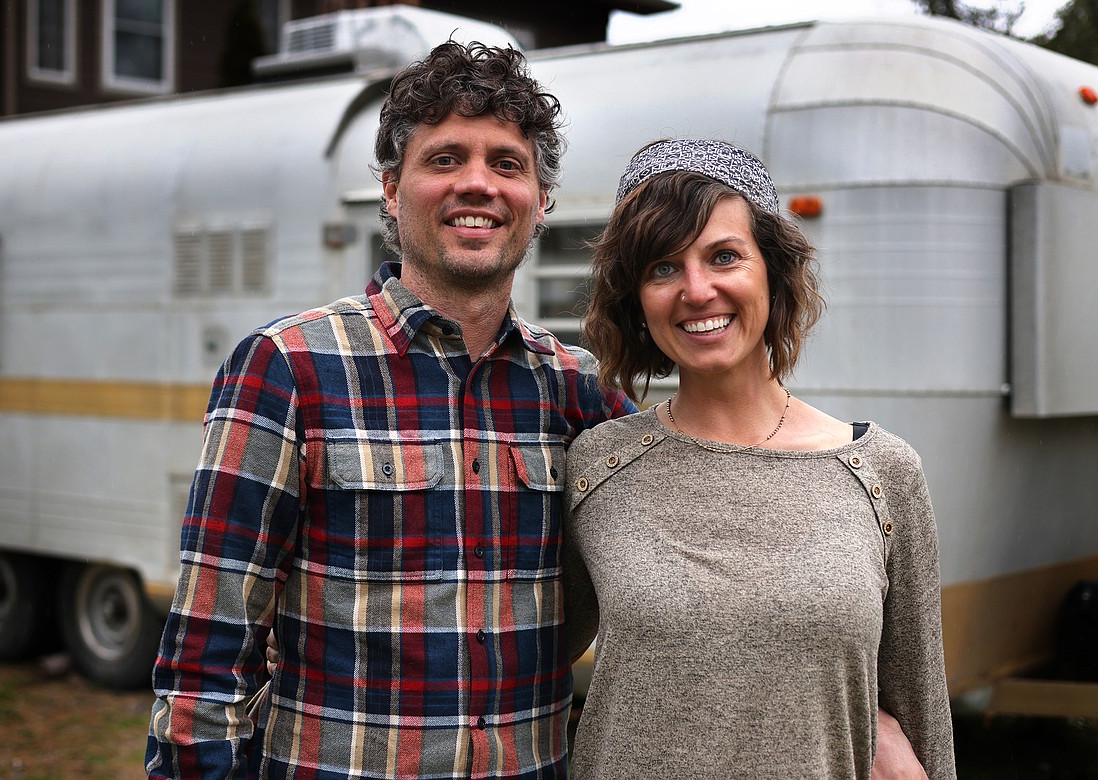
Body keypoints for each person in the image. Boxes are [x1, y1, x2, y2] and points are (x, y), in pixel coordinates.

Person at [145, 41, 634, 779]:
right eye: (444, 159)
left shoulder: (581, 393)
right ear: (390, 188)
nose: (478, 184)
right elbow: (206, 660)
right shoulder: (286, 368)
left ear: (542, 202)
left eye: (507, 164)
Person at [561, 139, 956, 778]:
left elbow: (922, 720)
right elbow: (529, 667)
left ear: (772, 270)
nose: (697, 290)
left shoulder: (882, 473)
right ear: (635, 298)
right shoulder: (597, 465)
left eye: (724, 257)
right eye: (662, 267)